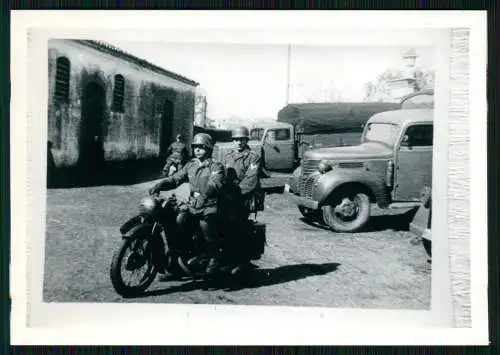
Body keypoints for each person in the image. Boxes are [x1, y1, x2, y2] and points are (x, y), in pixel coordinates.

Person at [149, 133, 225, 279]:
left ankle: (213, 261)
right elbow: (176, 179)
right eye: (195, 147)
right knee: (178, 223)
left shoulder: (216, 165)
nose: (198, 150)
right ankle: (176, 264)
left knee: (206, 229)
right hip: (193, 206)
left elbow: (215, 183)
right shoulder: (191, 164)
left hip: (209, 205)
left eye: (202, 148)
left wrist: (204, 196)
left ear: (208, 149)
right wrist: (160, 185)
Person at [221, 126, 265, 275]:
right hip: (227, 197)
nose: (239, 142)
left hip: (244, 198)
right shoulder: (227, 156)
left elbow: (250, 180)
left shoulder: (254, 157)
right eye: (236, 139)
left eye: (242, 139)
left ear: (246, 140)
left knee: (237, 226)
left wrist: (234, 195)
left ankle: (241, 261)